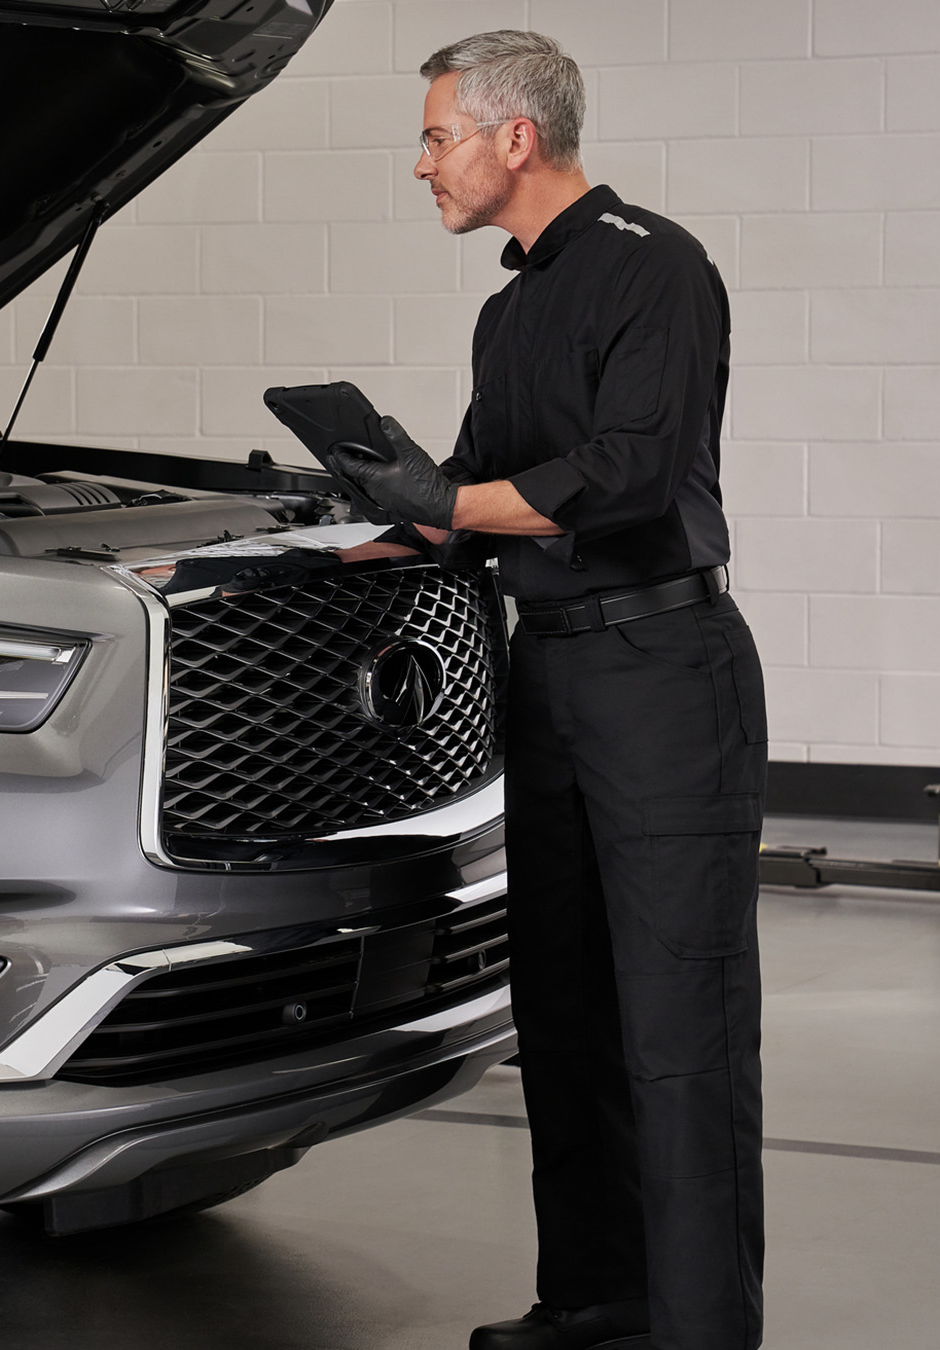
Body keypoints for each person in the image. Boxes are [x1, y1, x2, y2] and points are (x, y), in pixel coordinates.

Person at [306, 30, 766, 1350]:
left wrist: (445, 498)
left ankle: (699, 1330)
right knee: (564, 1007)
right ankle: (598, 1300)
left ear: (518, 136)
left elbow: (625, 471)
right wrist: (325, 533)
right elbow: (465, 507)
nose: (422, 162)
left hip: (667, 676)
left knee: (680, 1025)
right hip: (549, 674)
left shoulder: (657, 268)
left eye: (439, 135)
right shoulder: (509, 310)